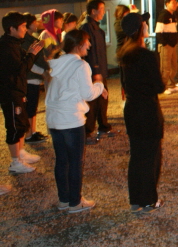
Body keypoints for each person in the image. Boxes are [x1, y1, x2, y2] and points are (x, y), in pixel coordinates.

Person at [46, 29, 106, 213]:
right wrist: (100, 85)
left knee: (61, 161)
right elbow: (87, 93)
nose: (89, 45)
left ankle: (64, 200)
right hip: (71, 119)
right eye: (87, 42)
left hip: (54, 118)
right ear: (79, 45)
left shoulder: (57, 63)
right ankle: (75, 202)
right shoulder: (81, 65)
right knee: (75, 162)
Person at [118, 13, 166, 213]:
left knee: (137, 155)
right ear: (140, 29)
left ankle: (136, 199)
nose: (146, 25)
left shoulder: (124, 54)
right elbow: (159, 86)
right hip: (147, 109)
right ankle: (149, 200)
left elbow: (124, 83)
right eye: (144, 23)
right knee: (151, 156)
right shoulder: (147, 55)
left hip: (132, 108)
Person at [0, 12, 43, 174]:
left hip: (18, 90)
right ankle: (15, 162)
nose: (25, 29)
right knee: (14, 125)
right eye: (23, 26)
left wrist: (31, 53)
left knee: (21, 124)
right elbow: (21, 70)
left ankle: (20, 152)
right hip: (10, 93)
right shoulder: (6, 47)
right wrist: (31, 54)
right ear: (12, 28)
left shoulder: (14, 44)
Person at [79, 0, 113, 143]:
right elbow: (90, 51)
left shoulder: (96, 27)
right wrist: (96, 71)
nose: (103, 13)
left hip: (100, 69)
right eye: (102, 10)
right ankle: (87, 132)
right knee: (92, 101)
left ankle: (104, 126)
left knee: (103, 99)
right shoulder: (86, 27)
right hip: (93, 71)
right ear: (93, 11)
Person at [21, 13, 50, 145]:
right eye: (34, 22)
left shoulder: (31, 39)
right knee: (29, 107)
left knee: (33, 107)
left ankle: (32, 131)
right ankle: (28, 135)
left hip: (34, 78)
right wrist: (43, 72)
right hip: (30, 78)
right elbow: (29, 62)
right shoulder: (25, 41)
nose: (37, 23)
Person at [155, 0, 178, 95]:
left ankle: (171, 84)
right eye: (172, 3)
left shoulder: (173, 15)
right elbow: (158, 31)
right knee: (165, 68)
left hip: (173, 45)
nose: (175, 4)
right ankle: (163, 87)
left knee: (174, 66)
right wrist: (164, 44)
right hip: (166, 46)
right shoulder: (163, 15)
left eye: (175, 3)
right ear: (167, 4)